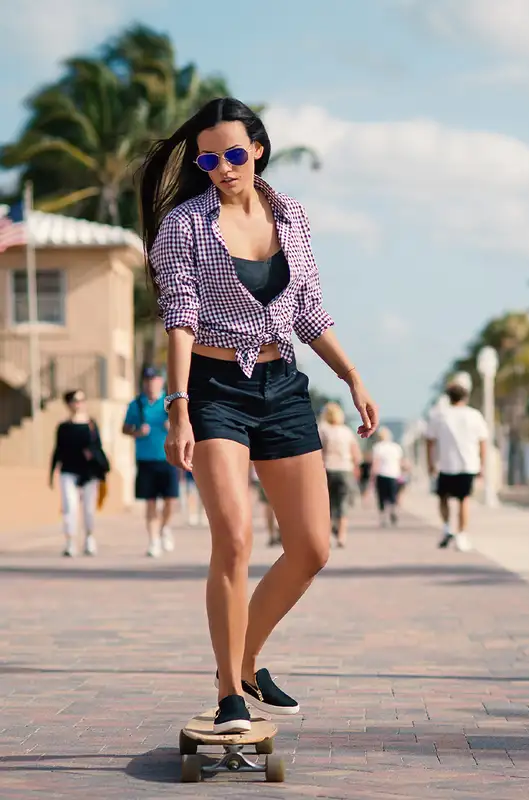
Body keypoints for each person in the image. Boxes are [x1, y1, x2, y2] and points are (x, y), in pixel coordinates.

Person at [138, 97, 378, 734]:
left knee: (312, 548)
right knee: (235, 538)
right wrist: (180, 407)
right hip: (215, 391)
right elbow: (181, 320)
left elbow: (308, 311)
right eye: (209, 157)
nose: (222, 167)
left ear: (259, 150)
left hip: (283, 389)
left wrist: (351, 376)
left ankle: (245, 662)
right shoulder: (183, 227)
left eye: (234, 154)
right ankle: (228, 692)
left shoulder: (290, 214)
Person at [425, 372, 488, 552]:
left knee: (443, 498)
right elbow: (482, 441)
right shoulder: (474, 415)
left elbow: (429, 441)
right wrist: (482, 465)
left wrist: (431, 463)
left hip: (445, 464)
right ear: (466, 396)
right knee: (463, 500)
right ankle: (461, 534)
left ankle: (446, 527)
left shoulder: (439, 415)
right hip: (468, 464)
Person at [123, 365, 178, 557]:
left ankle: (165, 528)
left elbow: (187, 423)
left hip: (168, 458)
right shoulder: (137, 404)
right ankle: (153, 540)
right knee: (151, 502)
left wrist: (172, 425)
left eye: (154, 380)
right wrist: (137, 432)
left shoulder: (170, 403)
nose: (150, 384)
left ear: (161, 381)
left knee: (171, 501)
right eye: (147, 380)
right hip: (145, 459)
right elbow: (125, 428)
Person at [50, 389, 108, 557]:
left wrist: (93, 455)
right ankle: (70, 541)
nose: (79, 403)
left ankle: (90, 537)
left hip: (89, 473)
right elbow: (57, 450)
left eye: (82, 400)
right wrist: (51, 473)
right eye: (75, 400)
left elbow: (98, 446)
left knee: (89, 509)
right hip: (68, 471)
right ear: (68, 404)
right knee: (69, 506)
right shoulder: (63, 427)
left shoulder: (91, 424)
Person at [317, 402, 361, 547]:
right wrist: (355, 467)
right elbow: (356, 455)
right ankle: (342, 537)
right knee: (343, 504)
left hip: (327, 469)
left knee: (326, 505)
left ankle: (328, 536)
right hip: (345, 470)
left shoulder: (323, 430)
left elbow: (319, 452)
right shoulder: (346, 431)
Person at [372, 427, 406, 527]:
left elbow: (376, 463)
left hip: (381, 474)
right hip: (394, 475)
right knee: (393, 496)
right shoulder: (396, 447)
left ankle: (383, 517)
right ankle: (393, 510)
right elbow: (401, 462)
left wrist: (372, 476)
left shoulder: (378, 447)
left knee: (381, 497)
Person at [249, 463, 280, 547]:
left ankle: (274, 534)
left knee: (270, 505)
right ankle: (274, 534)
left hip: (262, 474)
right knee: (270, 505)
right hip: (264, 474)